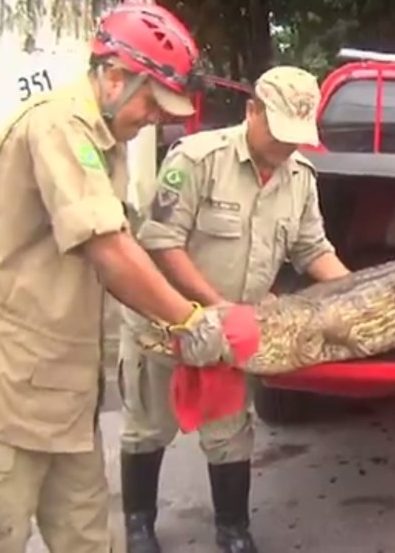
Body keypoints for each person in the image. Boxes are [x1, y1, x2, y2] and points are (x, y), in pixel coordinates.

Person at [0, 4, 249, 553]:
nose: (155, 119)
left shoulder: (103, 138)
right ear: (114, 76)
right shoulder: (59, 125)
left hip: (59, 392)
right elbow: (110, 250)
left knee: (88, 536)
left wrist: (175, 319)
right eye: (151, 103)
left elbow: (119, 253)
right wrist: (188, 320)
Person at [117, 65, 351, 553]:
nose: (288, 146)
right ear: (252, 111)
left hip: (231, 333)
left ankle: (232, 530)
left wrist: (356, 294)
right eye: (280, 131)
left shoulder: (299, 178)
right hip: (167, 322)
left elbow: (312, 250)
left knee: (229, 434)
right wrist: (216, 305)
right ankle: (138, 525)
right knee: (148, 428)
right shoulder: (198, 158)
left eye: (297, 137)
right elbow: (162, 241)